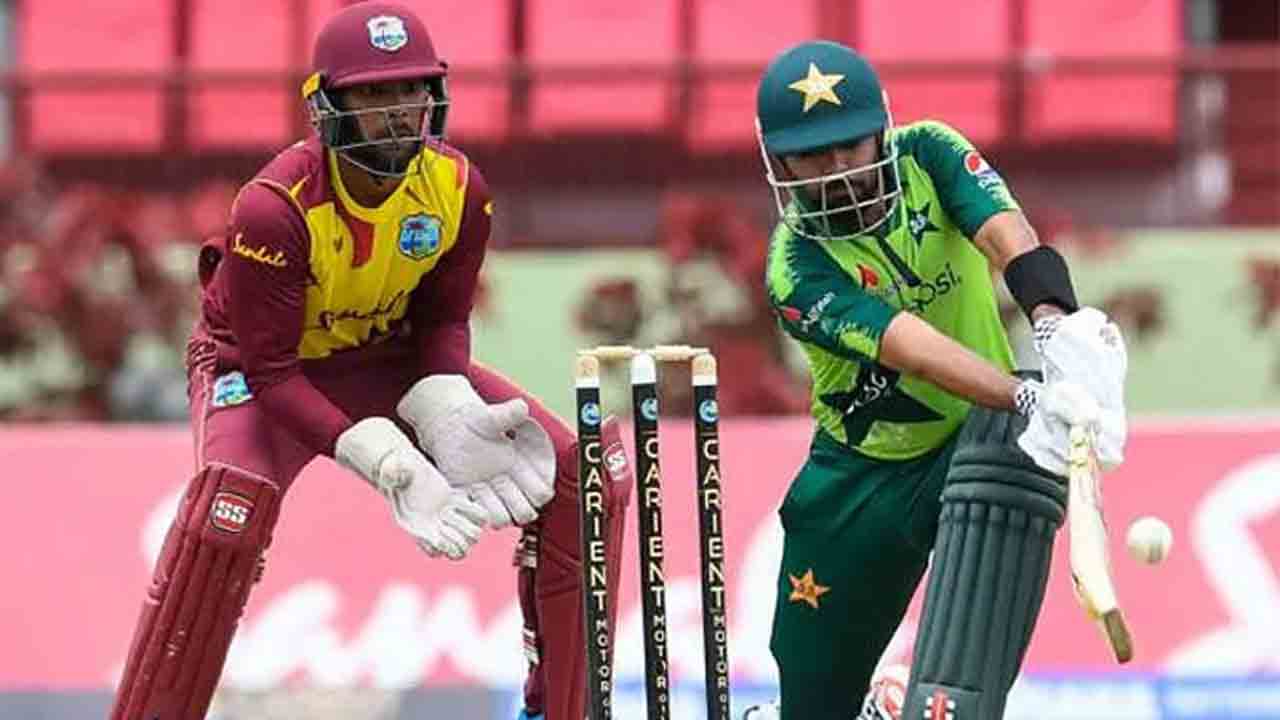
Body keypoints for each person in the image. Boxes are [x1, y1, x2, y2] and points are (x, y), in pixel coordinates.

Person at [108, 4, 631, 719]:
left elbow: (442, 321)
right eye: (374, 94)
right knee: (225, 517)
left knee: (581, 477)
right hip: (257, 373)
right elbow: (272, 372)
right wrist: (382, 459)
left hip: (388, 357)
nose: (397, 111)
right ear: (329, 108)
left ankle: (559, 712)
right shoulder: (274, 208)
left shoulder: (458, 189)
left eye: (411, 89)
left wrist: (445, 403)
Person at [748, 40, 1128, 719]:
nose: (838, 172)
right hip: (861, 478)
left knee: (1016, 450)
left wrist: (1055, 327)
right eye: (813, 156)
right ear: (780, 163)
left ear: (880, 130)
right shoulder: (795, 267)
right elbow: (914, 350)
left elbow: (1005, 233)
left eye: (850, 146)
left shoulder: (928, 151)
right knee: (812, 705)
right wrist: (1029, 394)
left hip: (978, 446)